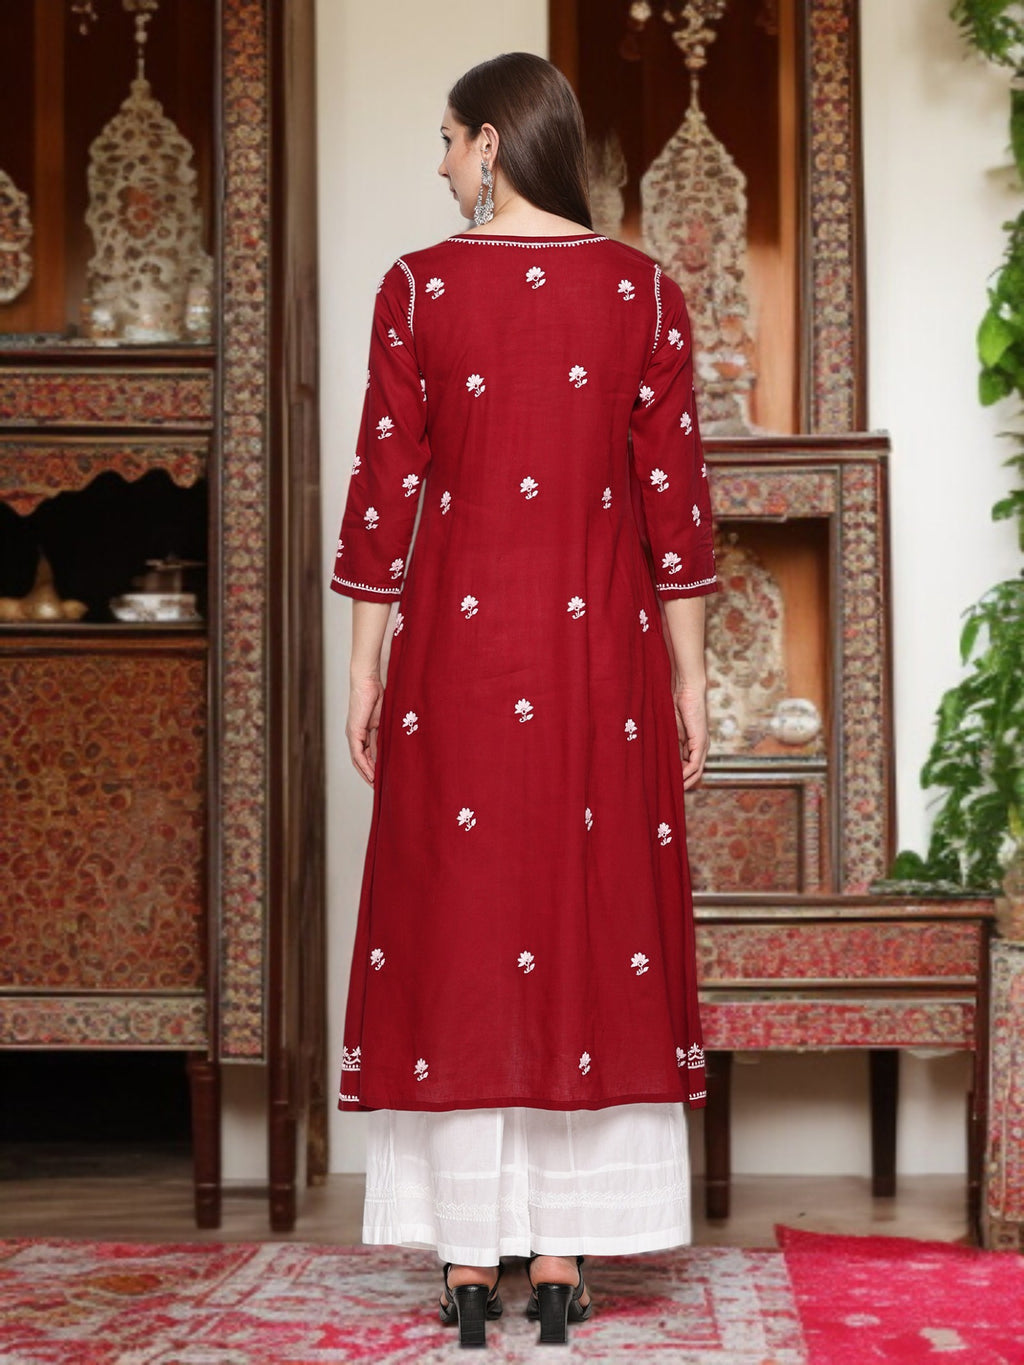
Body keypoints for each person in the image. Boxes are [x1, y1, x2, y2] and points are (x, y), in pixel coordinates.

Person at [330, 51, 717, 1348]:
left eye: (449, 140)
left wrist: (365, 667)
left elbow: (383, 495)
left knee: (461, 925)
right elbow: (676, 506)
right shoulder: (645, 293)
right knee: (586, 922)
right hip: (602, 662)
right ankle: (558, 1257)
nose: (441, 164)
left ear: (491, 144)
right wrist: (692, 677)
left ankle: (464, 1259)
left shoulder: (417, 288)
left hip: (456, 656)